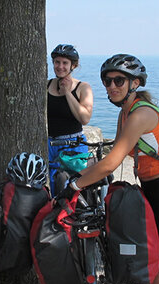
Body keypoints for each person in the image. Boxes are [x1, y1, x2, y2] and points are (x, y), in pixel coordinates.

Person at [63, 54, 159, 284]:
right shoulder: (126, 114)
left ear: (135, 83)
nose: (112, 86)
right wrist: (78, 178)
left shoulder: (141, 114)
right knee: (154, 267)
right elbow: (109, 159)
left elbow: (111, 163)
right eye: (107, 81)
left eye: (119, 80)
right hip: (151, 192)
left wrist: (74, 185)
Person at [46, 44, 93, 194]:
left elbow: (85, 118)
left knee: (70, 188)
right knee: (49, 187)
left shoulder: (83, 87)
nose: (60, 67)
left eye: (65, 63)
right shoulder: (46, 85)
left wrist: (67, 92)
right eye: (57, 62)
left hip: (73, 145)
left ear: (74, 65)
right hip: (49, 144)